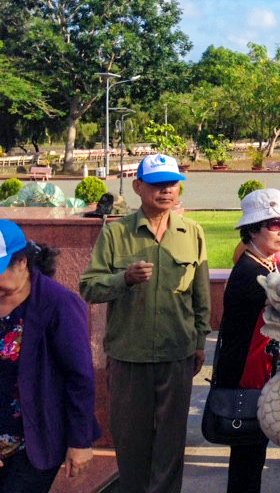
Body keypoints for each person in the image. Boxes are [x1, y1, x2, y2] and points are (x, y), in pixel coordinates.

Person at [80, 153, 210, 493]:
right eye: (157, 184)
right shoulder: (116, 234)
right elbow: (89, 287)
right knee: (131, 444)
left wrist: (199, 342)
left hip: (176, 354)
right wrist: (124, 279)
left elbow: (200, 296)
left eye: (172, 184)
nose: (165, 191)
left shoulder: (192, 233)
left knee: (171, 445)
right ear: (138, 187)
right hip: (129, 356)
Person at [0, 221, 99, 492]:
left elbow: (79, 377)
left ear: (21, 263)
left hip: (35, 437)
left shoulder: (58, 304)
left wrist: (80, 441)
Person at [216, 190, 280, 493]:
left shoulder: (263, 265)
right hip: (245, 376)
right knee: (247, 458)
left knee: (251, 455)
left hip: (257, 373)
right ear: (252, 230)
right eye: (274, 224)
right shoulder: (251, 273)